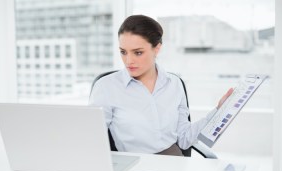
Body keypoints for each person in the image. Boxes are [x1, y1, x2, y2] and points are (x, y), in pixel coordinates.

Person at [89, 15, 233, 156]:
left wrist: (219, 111)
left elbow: (184, 139)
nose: (128, 60)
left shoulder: (174, 84)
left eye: (138, 52)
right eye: (123, 52)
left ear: (156, 48)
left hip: (172, 160)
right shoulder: (106, 87)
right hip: (132, 163)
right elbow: (92, 140)